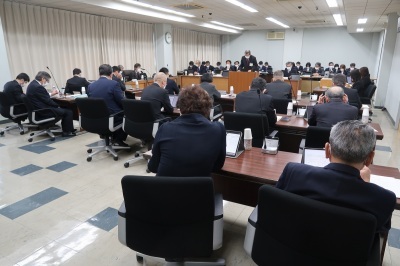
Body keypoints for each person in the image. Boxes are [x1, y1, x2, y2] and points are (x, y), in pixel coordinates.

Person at [276, 120, 396, 234]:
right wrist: (366, 186)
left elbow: (276, 205)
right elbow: (380, 231)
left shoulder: (293, 172)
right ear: (370, 158)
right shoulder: (384, 199)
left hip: (291, 249)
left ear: (327, 150)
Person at [148, 85, 226, 177]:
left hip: (166, 190)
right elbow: (217, 166)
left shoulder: (165, 129)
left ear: (180, 108)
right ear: (208, 109)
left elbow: (153, 167)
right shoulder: (218, 129)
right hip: (199, 189)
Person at [87, 64, 127, 146]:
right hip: (112, 117)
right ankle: (118, 139)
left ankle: (111, 137)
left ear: (99, 74)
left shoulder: (90, 86)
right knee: (128, 114)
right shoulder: (114, 84)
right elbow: (122, 101)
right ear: (111, 74)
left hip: (96, 118)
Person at [26, 71, 75, 137]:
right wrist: (58, 106)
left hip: (36, 110)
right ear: (43, 79)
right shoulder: (38, 87)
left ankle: (66, 128)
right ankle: (67, 132)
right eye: (47, 80)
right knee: (68, 111)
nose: (47, 82)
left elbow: (42, 97)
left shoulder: (32, 84)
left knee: (63, 110)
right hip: (43, 111)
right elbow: (48, 101)